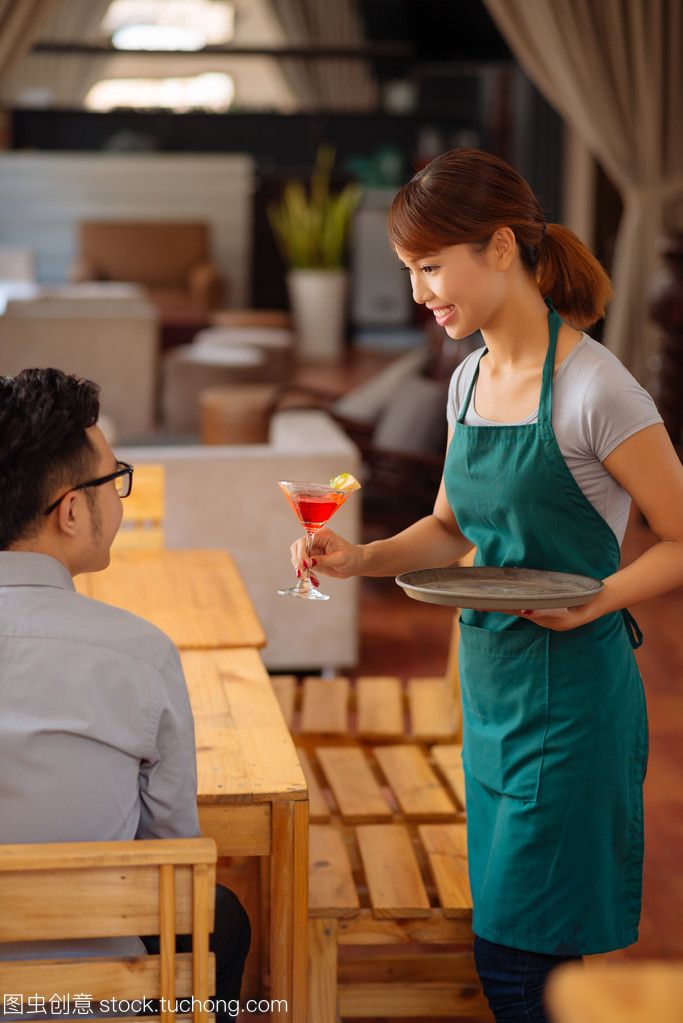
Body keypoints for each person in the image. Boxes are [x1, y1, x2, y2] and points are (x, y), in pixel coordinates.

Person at [288, 149, 683, 1022]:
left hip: (574, 703)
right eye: (409, 270)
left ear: (499, 247)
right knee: (517, 948)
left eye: (430, 266)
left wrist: (603, 595)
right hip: (494, 690)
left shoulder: (594, 388)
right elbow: (449, 527)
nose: (420, 292)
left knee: (517, 958)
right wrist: (357, 557)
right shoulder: (467, 379)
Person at [0, 368, 250, 1017]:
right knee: (220, 914)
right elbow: (173, 862)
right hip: (93, 992)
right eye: (113, 479)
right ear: (72, 510)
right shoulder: (137, 653)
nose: (120, 495)